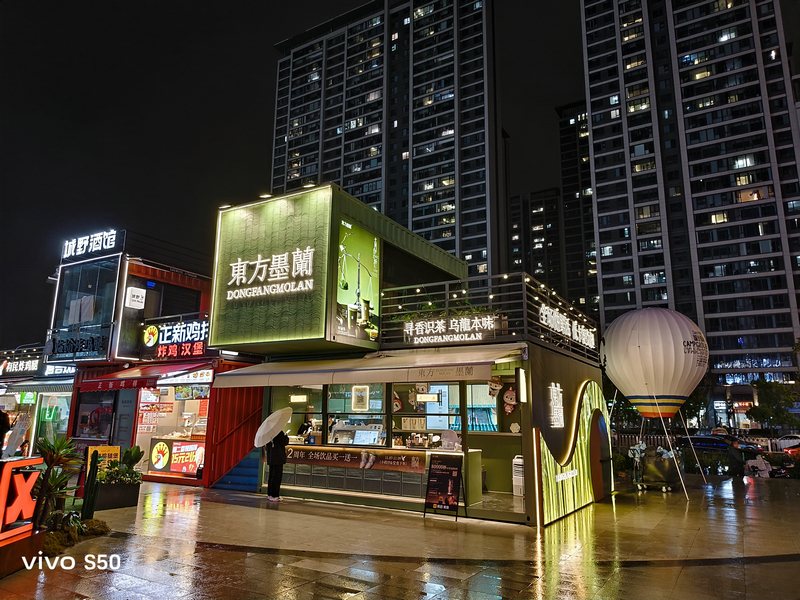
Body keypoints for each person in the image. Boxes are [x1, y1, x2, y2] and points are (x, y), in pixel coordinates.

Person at [264, 430, 289, 501]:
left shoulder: (268, 432)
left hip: (271, 457)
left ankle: (270, 494)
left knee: (271, 476)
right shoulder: (278, 431)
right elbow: (284, 442)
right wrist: (286, 436)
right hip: (278, 457)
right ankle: (275, 495)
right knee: (277, 477)